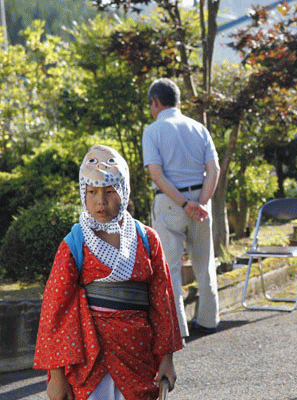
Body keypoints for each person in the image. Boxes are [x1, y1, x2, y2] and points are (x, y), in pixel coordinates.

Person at [33, 145, 183, 400]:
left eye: (110, 191)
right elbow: (55, 310)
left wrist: (167, 359)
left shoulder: (147, 239)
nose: (100, 201)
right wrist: (57, 375)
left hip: (139, 356)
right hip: (91, 360)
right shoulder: (74, 243)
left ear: (123, 191)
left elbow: (163, 302)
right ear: (83, 193)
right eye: (92, 192)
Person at [142, 78, 221, 337]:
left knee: (170, 268)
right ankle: (209, 321)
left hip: (170, 203)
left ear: (155, 102)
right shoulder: (199, 128)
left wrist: (184, 204)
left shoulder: (152, 131)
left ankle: (178, 327)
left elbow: (156, 174)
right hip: (200, 199)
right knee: (204, 263)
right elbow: (214, 169)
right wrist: (202, 203)